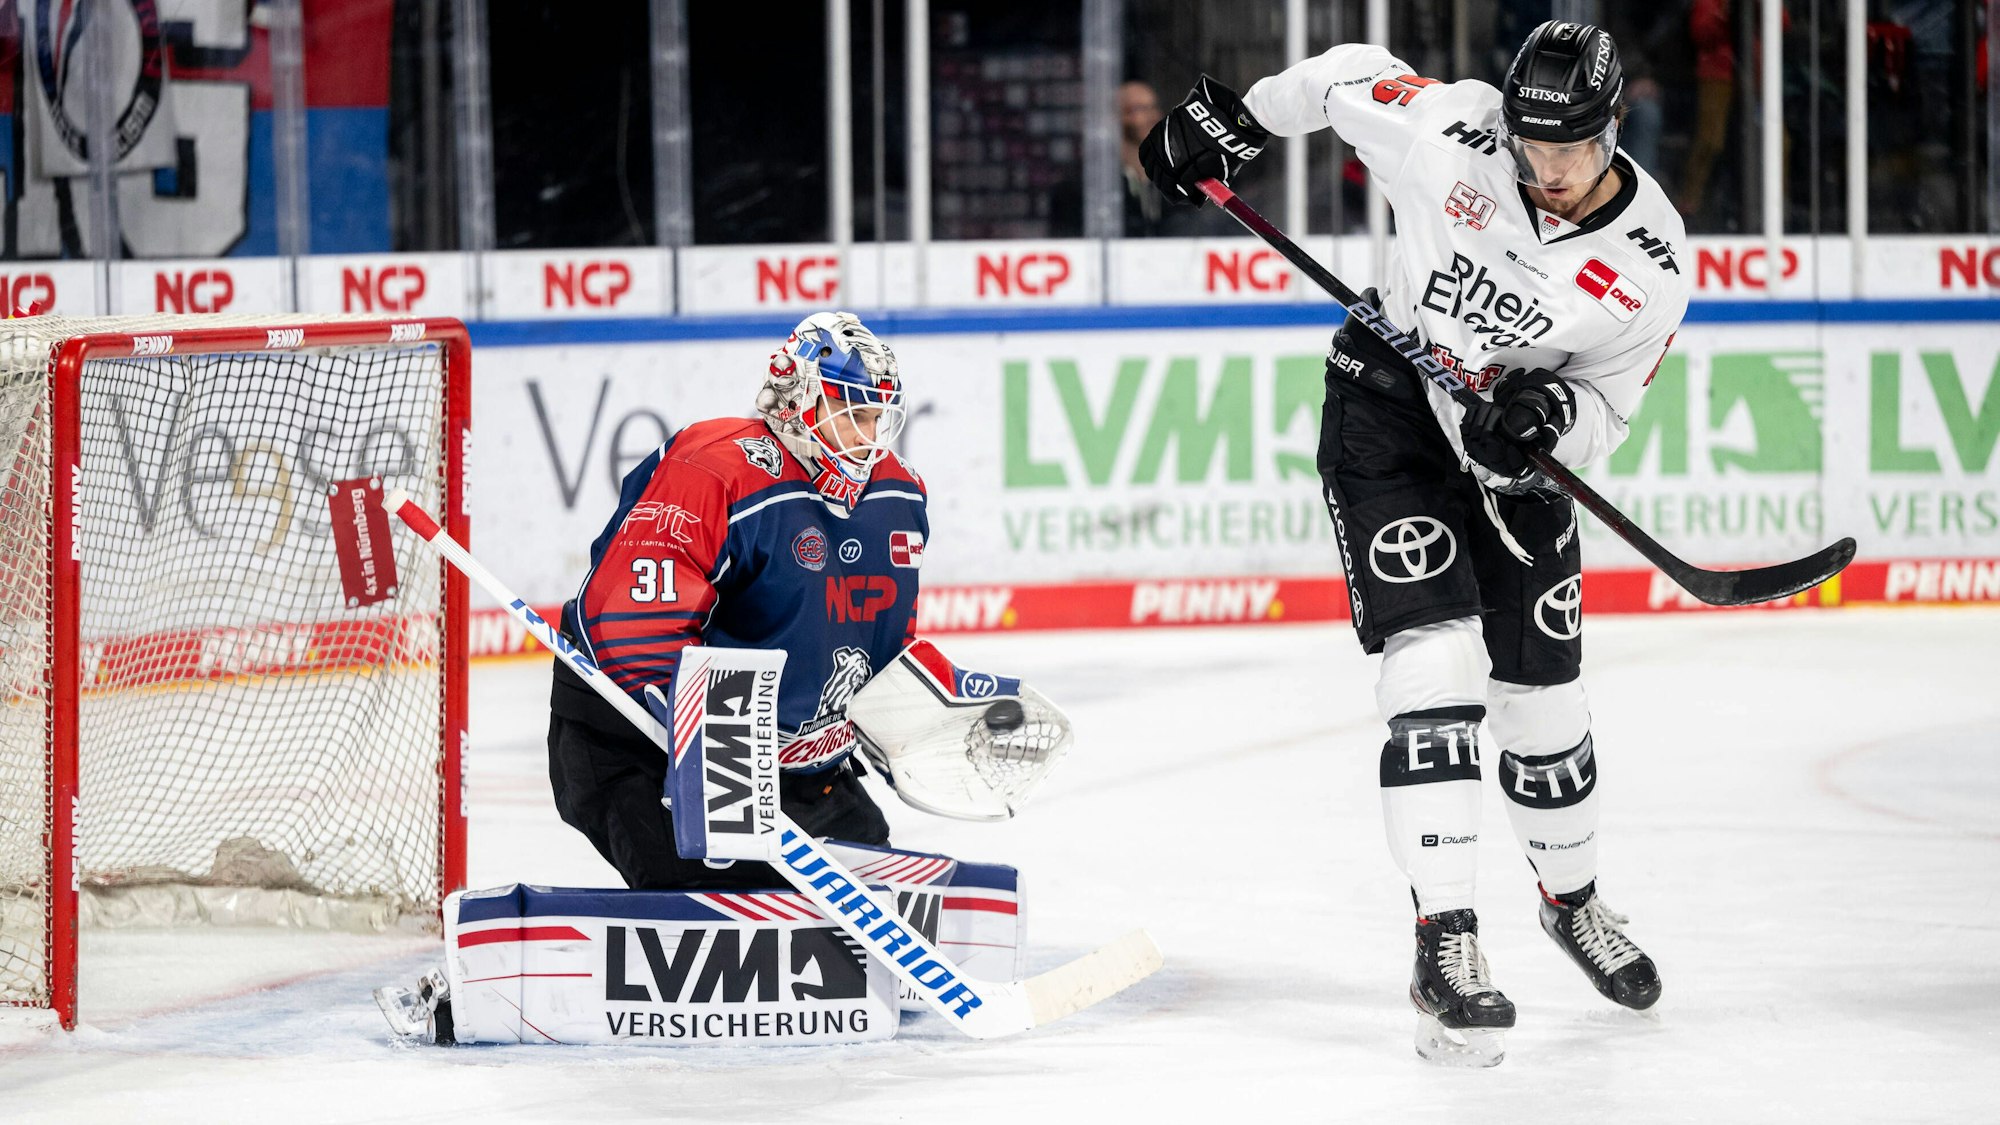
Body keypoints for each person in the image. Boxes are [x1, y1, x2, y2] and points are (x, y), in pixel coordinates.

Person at [1140, 21, 1688, 1066]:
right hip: (1387, 410)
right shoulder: (1452, 129)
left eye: (1570, 150)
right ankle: (1446, 940)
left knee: (1543, 701)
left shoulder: (1649, 263)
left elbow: (1605, 411)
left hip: (1506, 467)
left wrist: (1547, 422)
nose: (1549, 171)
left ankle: (1569, 902)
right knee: (1432, 664)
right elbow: (1345, 74)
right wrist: (1237, 121)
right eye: (1533, 149)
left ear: (1612, 130)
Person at [545, 310, 922, 890]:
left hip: (788, 766)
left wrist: (921, 721)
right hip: (639, 744)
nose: (867, 439)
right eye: (851, 415)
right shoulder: (714, 469)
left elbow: (884, 643)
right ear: (797, 398)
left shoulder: (898, 494)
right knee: (717, 900)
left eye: (876, 418)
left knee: (867, 896)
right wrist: (718, 754)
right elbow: (632, 628)